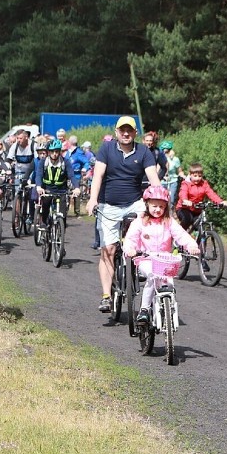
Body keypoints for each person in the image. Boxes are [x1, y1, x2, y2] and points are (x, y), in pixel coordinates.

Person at [86, 115, 162, 312]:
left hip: (134, 203)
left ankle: (140, 267)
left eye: (130, 130)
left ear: (135, 133)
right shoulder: (106, 149)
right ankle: (106, 295)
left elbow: (154, 179)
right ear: (116, 132)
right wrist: (93, 199)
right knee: (108, 250)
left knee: (145, 237)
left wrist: (161, 203)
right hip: (108, 204)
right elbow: (98, 175)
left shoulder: (144, 151)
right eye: (122, 130)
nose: (126, 133)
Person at [123, 185, 200, 323]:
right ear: (147, 205)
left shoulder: (169, 222)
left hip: (165, 260)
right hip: (145, 259)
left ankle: (167, 307)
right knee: (153, 277)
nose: (158, 209)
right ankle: (144, 310)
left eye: (161, 207)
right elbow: (131, 238)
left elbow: (181, 235)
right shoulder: (140, 222)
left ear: (165, 208)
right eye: (154, 206)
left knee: (168, 283)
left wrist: (191, 245)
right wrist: (130, 249)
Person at [35, 138, 80, 231]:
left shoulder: (65, 162)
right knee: (46, 207)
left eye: (57, 151)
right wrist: (39, 186)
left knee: (62, 215)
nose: (54, 154)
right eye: (52, 151)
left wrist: (76, 188)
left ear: (60, 152)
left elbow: (71, 175)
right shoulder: (43, 162)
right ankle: (44, 223)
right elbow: (39, 175)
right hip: (47, 190)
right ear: (48, 152)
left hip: (61, 191)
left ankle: (60, 234)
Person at [175, 162, 227, 231]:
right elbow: (183, 193)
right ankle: (178, 235)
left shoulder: (204, 184)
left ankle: (198, 240)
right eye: (195, 176)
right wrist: (185, 200)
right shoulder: (186, 184)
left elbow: (211, 193)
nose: (197, 178)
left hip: (196, 209)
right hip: (184, 208)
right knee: (188, 219)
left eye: (200, 176)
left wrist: (220, 202)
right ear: (190, 175)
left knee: (201, 227)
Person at [7, 129, 37, 224]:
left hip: (31, 172)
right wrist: (8, 168)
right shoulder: (15, 146)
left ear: (26, 138)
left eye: (20, 138)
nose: (18, 140)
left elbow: (36, 160)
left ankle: (31, 215)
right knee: (17, 193)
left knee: (32, 194)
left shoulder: (33, 146)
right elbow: (8, 159)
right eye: (17, 138)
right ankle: (17, 217)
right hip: (19, 172)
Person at [65, 135, 89, 215]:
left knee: (76, 193)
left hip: (76, 175)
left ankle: (77, 211)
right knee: (66, 193)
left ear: (70, 142)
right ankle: (65, 210)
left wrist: (84, 169)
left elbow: (86, 162)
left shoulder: (79, 152)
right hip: (67, 175)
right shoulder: (68, 152)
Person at [160, 141, 183, 209]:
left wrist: (184, 176)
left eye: (166, 149)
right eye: (163, 149)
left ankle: (171, 213)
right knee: (162, 199)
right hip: (162, 181)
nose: (165, 150)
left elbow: (179, 171)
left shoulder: (175, 159)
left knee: (172, 199)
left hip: (173, 180)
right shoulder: (159, 158)